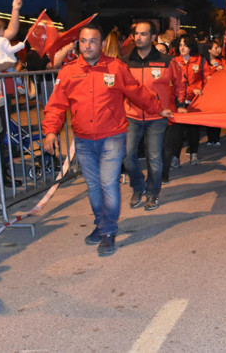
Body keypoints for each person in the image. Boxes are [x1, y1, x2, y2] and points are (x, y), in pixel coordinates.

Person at [43, 24, 170, 256]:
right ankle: (101, 225)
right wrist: (51, 131)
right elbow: (56, 104)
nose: (87, 45)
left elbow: (137, 91)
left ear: (102, 44)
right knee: (93, 186)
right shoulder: (69, 71)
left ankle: (109, 232)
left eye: (93, 41)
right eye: (83, 41)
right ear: (78, 43)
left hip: (112, 137)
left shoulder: (116, 68)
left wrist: (158, 109)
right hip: (84, 141)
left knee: (108, 184)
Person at [122, 20, 187, 209]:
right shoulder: (126, 61)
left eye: (143, 34)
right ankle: (138, 187)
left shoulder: (167, 61)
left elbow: (181, 82)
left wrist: (181, 103)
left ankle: (152, 193)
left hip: (157, 117)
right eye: (136, 34)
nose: (138, 37)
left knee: (154, 158)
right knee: (128, 156)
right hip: (132, 116)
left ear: (152, 37)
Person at [172, 35, 204, 165]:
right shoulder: (174, 61)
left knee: (193, 130)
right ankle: (175, 157)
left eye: (185, 44)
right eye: (180, 45)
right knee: (177, 130)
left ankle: (194, 154)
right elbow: (173, 82)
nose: (182, 47)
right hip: (178, 100)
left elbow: (206, 77)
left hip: (194, 101)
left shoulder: (200, 60)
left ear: (191, 46)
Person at [200, 38, 226, 146]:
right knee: (208, 116)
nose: (218, 50)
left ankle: (217, 138)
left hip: (217, 92)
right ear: (209, 50)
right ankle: (210, 139)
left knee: (217, 115)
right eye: (216, 48)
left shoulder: (221, 61)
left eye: (219, 48)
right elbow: (201, 76)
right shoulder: (202, 62)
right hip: (206, 92)